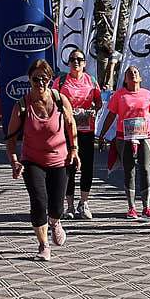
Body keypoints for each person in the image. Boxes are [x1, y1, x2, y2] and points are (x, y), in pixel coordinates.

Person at [5, 58, 78, 260]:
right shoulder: (21, 105)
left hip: (60, 159)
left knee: (56, 206)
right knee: (39, 201)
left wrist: (74, 150)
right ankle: (43, 244)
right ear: (29, 80)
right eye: (36, 79)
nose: (40, 83)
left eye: (44, 79)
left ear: (50, 80)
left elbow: (71, 126)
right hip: (32, 160)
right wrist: (14, 161)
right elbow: (10, 138)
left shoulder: (60, 100)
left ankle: (55, 222)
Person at [99, 64, 150, 219]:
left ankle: (147, 207)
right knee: (129, 171)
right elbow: (111, 116)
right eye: (129, 73)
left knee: (145, 169)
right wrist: (102, 134)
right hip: (124, 138)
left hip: (145, 136)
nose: (132, 74)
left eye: (135, 72)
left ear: (140, 78)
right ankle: (131, 207)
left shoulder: (148, 95)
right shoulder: (119, 95)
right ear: (125, 79)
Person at [58, 49, 103, 219]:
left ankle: (83, 203)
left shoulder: (91, 81)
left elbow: (98, 102)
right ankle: (69, 206)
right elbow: (53, 101)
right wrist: (66, 111)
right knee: (68, 167)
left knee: (87, 167)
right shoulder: (61, 81)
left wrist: (92, 110)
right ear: (68, 63)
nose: (75, 62)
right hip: (66, 130)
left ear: (84, 63)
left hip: (86, 130)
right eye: (72, 59)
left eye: (79, 59)